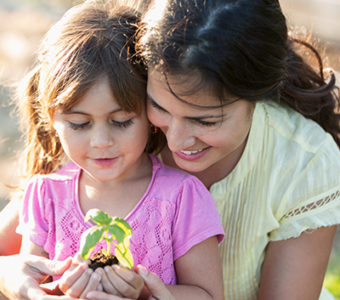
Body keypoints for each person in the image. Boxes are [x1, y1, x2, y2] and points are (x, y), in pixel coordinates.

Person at [1, 0, 340, 299]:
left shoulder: (305, 162)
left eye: (205, 121)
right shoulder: (106, 125)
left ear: (259, 96)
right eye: (158, 107)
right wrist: (12, 278)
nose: (175, 142)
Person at [2, 1, 225, 300]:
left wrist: (144, 293)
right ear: (51, 118)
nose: (101, 142)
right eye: (80, 124)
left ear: (150, 114)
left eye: (121, 122)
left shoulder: (182, 197)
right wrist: (54, 291)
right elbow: (35, 284)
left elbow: (209, 295)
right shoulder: (45, 196)